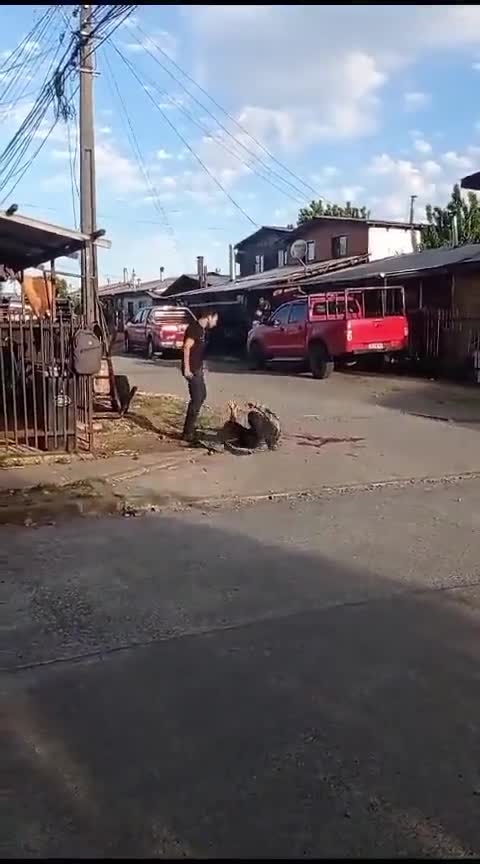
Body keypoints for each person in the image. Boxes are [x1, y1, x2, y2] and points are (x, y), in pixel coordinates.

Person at [182, 308, 219, 442]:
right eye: (215, 319)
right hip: (191, 369)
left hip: (197, 367)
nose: (215, 323)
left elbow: (198, 351)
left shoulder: (202, 330)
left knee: (202, 395)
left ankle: (190, 427)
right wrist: (186, 369)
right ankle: (187, 432)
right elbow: (187, 347)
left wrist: (204, 366)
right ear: (209, 316)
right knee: (197, 398)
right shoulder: (194, 328)